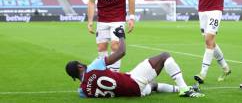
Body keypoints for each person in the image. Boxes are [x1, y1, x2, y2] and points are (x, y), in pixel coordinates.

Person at [65, 26, 204, 98]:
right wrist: (121, 37)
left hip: (133, 92)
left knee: (153, 85)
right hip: (134, 83)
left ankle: (185, 89)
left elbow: (83, 90)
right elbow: (121, 52)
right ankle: (185, 89)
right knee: (164, 56)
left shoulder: (82, 91)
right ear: (80, 66)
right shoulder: (93, 67)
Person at [87, 0, 135, 72]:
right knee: (101, 47)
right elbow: (91, 2)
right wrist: (89, 21)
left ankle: (114, 73)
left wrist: (131, 17)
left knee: (115, 45)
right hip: (102, 19)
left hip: (118, 17)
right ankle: (104, 72)